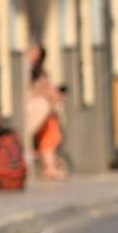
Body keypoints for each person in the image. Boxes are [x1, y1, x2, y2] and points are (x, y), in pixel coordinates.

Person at [25, 45, 69, 180]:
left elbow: (45, 86)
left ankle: (50, 166)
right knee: (49, 124)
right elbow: (35, 90)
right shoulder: (25, 70)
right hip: (33, 111)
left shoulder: (38, 71)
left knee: (51, 128)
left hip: (43, 113)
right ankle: (49, 166)